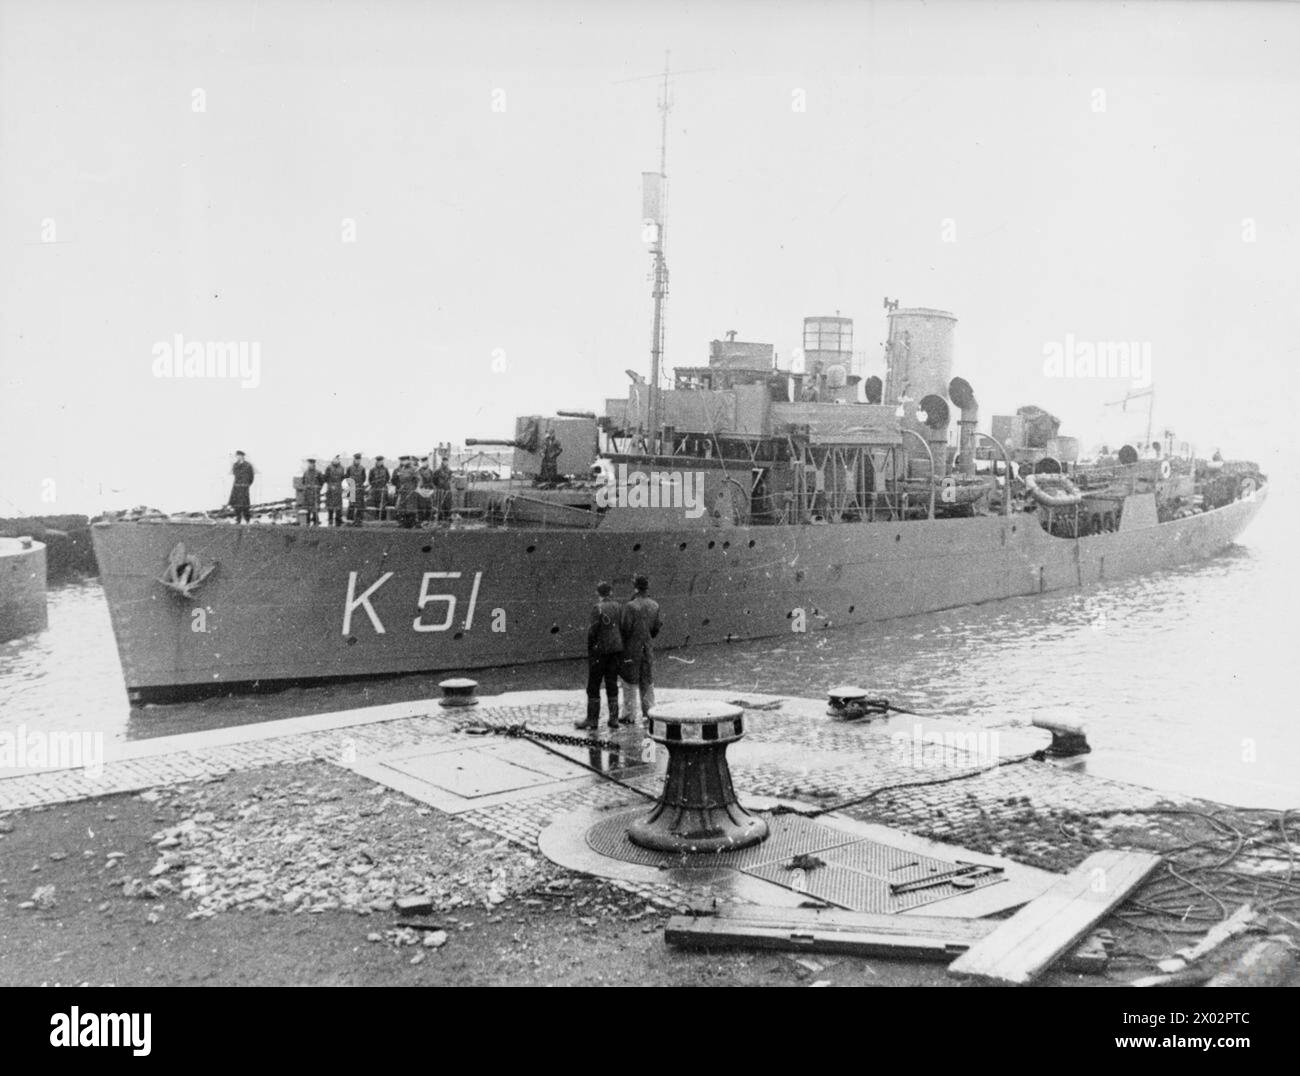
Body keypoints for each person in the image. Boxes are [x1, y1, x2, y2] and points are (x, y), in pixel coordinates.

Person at [576, 581, 624, 731]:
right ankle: (614, 719)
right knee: (612, 683)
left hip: (600, 652)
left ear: (598, 593)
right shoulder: (618, 607)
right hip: (616, 651)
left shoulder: (598, 608)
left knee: (593, 686)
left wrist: (591, 649)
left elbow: (592, 631)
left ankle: (592, 720)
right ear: (611, 592)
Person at [619, 575, 663, 725]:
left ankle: (629, 715)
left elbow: (625, 628)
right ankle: (649, 712)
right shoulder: (655, 605)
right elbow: (656, 628)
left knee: (630, 681)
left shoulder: (630, 606)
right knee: (647, 680)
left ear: (635, 587)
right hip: (647, 648)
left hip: (632, 648)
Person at [392, 455, 420, 529]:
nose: (402, 462)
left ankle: (411, 524)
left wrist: (414, 488)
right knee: (401, 509)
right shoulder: (399, 469)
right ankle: (402, 523)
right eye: (401, 460)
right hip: (402, 492)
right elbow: (395, 480)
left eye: (404, 460)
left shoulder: (413, 469)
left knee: (410, 509)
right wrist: (399, 486)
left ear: (408, 460)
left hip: (410, 492)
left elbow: (418, 480)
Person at [228, 450, 254, 523]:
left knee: (245, 504)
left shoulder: (248, 465)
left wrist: (247, 484)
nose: (237, 457)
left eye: (238, 455)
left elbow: (251, 477)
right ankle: (238, 519)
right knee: (236, 503)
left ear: (242, 456)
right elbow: (234, 473)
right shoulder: (235, 465)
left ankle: (247, 519)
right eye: (236, 456)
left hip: (244, 487)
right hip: (236, 486)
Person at [323, 454, 347, 527]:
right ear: (333, 460)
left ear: (339, 460)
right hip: (330, 489)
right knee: (330, 506)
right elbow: (325, 477)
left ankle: (338, 521)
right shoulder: (329, 468)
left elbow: (343, 477)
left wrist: (338, 485)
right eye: (335, 459)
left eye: (337, 459)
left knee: (338, 506)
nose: (336, 460)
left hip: (338, 489)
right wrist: (331, 485)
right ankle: (330, 521)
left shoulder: (342, 468)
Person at [346, 453, 367, 525]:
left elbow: (364, 478)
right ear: (354, 459)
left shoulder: (362, 468)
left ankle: (359, 520)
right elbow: (347, 477)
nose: (358, 461)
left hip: (360, 489)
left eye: (359, 460)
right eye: (356, 459)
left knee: (360, 506)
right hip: (352, 488)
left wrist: (359, 484)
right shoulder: (350, 468)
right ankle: (350, 520)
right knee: (351, 505)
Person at [300, 458, 323, 526]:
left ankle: (316, 524)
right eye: (309, 463)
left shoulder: (318, 472)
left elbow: (322, 482)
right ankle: (307, 523)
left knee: (315, 510)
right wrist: (306, 487)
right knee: (307, 510)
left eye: (311, 463)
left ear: (314, 464)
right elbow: (303, 482)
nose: (310, 465)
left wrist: (318, 488)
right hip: (307, 494)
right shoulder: (306, 472)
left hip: (315, 494)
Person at [368, 456, 391, 522]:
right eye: (379, 461)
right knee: (376, 503)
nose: (381, 462)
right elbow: (370, 479)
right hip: (375, 489)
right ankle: (376, 518)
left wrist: (383, 484)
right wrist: (374, 485)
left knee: (383, 503)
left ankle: (383, 519)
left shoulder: (385, 469)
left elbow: (388, 477)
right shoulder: (372, 470)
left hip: (383, 488)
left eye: (382, 461)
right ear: (377, 462)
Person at [416, 456, 437, 525]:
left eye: (426, 462)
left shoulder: (430, 471)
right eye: (423, 462)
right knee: (421, 506)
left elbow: (432, 481)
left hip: (429, 491)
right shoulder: (419, 471)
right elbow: (419, 481)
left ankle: (427, 521)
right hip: (421, 490)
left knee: (429, 506)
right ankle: (421, 521)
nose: (424, 463)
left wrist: (432, 489)